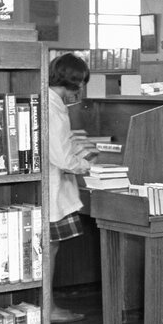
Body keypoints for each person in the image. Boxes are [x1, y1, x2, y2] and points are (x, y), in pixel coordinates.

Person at [47, 52, 95, 248]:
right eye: (81, 82)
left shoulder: (52, 103)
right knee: (51, 248)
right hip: (52, 187)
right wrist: (88, 165)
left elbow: (60, 142)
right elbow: (63, 160)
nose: (82, 88)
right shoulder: (54, 110)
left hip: (52, 185)